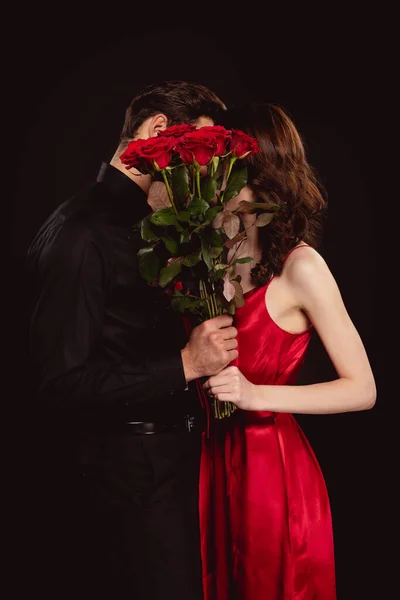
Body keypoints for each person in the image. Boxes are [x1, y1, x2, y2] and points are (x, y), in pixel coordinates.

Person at [26, 81, 238, 598]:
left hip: (159, 468)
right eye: (200, 153)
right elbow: (59, 381)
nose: (205, 171)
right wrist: (184, 364)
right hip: (130, 480)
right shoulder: (82, 232)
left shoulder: (141, 224)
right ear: (159, 133)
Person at [200, 103, 376, 600]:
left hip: (270, 473)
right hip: (213, 461)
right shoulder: (214, 254)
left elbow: (363, 389)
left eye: (224, 165)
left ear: (262, 177)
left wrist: (258, 394)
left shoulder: (304, 268)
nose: (212, 178)